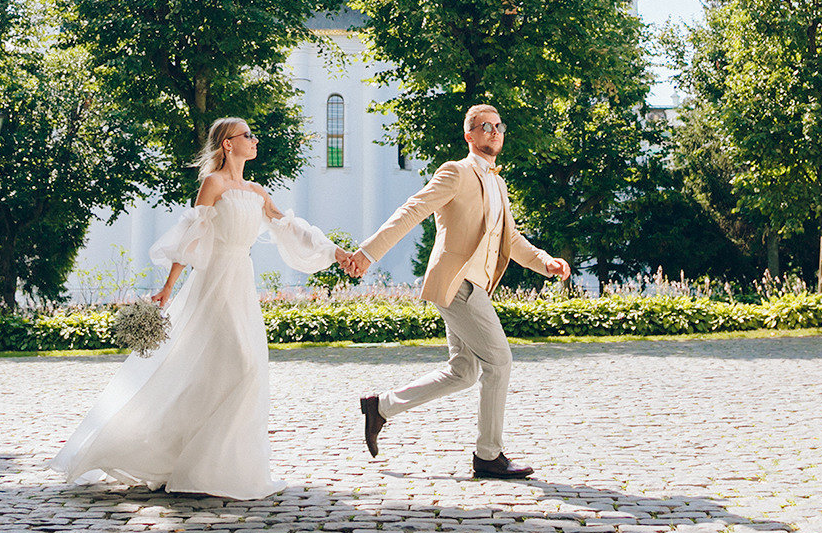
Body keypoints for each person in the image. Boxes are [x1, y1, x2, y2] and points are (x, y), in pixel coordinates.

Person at [50, 117, 336, 499]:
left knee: (229, 368)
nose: (254, 140)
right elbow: (192, 235)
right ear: (227, 145)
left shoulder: (256, 190)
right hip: (214, 281)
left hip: (241, 282)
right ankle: (186, 457)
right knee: (241, 363)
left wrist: (337, 252)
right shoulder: (213, 184)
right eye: (246, 135)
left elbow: (289, 227)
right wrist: (168, 287)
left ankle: (216, 464)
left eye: (253, 134)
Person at [337, 103, 570, 479]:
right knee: (499, 362)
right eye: (485, 126)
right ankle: (488, 455)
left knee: (463, 371)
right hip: (457, 283)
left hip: (477, 284)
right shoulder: (456, 173)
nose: (494, 132)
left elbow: (509, 237)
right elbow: (412, 210)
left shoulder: (498, 182)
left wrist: (545, 262)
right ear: (470, 135)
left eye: (498, 126)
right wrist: (368, 253)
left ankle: (380, 408)